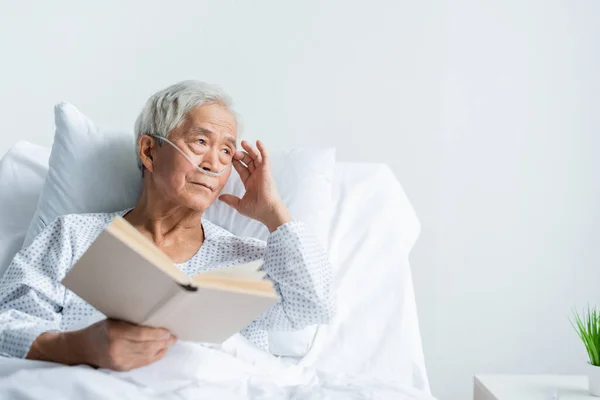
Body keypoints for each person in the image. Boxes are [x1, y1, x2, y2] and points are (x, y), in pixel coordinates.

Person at [0, 80, 334, 371]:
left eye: (226, 151)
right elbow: (7, 327)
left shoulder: (249, 262)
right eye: (201, 142)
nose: (214, 164)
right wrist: (79, 348)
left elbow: (315, 305)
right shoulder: (73, 236)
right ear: (149, 151)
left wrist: (274, 213)